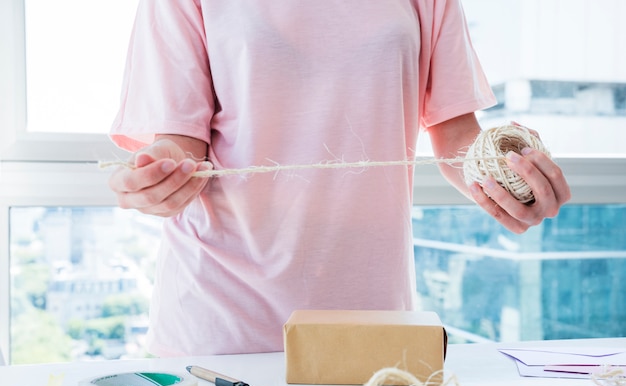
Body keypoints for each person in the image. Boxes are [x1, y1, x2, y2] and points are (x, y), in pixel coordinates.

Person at [108, 0, 570, 356]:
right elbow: (181, 142)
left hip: (370, 320)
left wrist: (507, 174)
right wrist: (162, 176)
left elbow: (456, 137)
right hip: (221, 319)